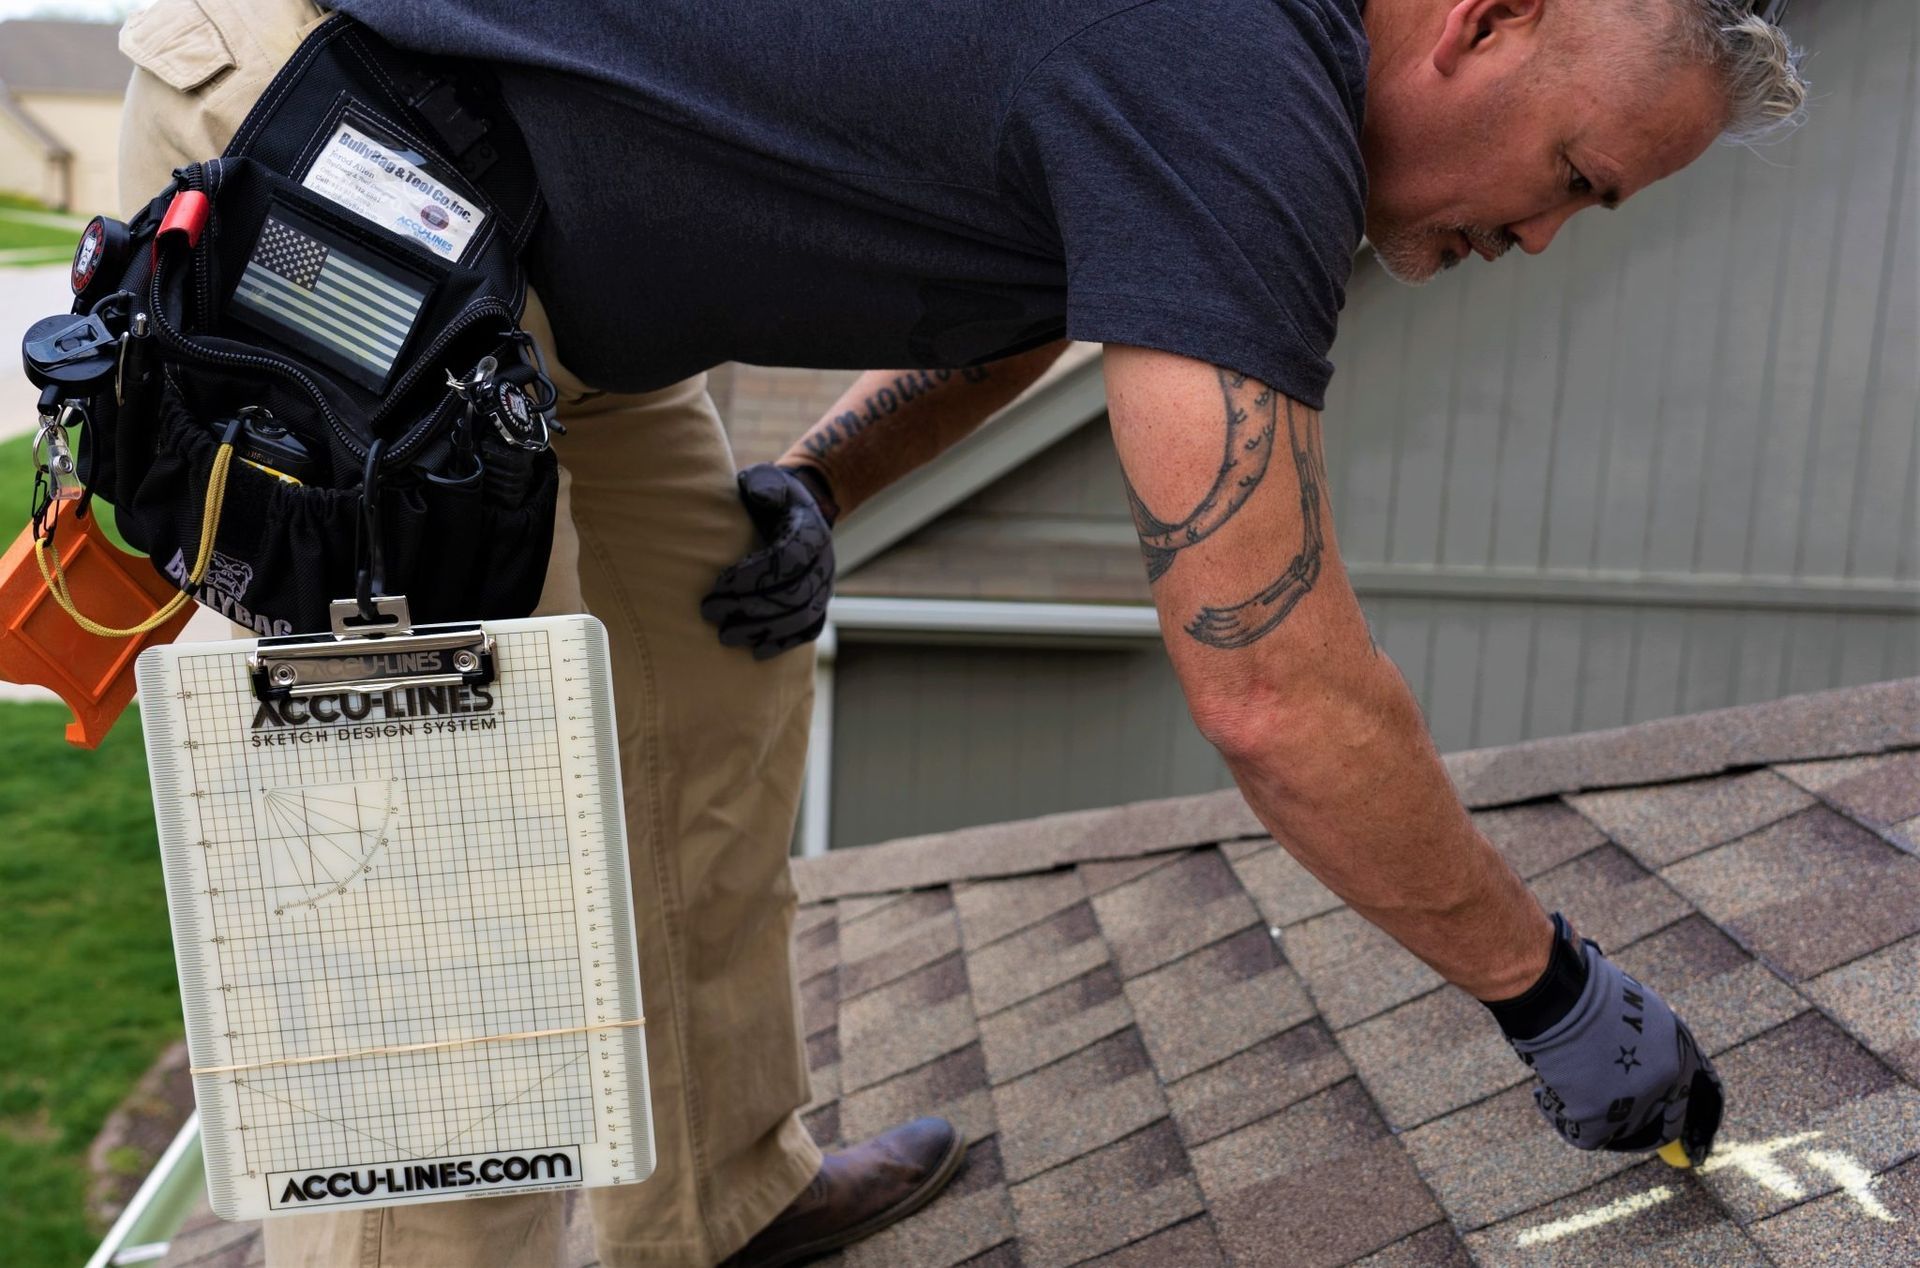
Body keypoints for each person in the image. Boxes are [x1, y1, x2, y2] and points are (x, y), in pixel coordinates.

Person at [113, 0, 1805, 1264]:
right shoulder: (1243, 77)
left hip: (562, 283)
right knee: (443, 891)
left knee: (719, 659)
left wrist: (824, 484)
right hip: (348, 135)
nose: (1537, 236)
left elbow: (1021, 279)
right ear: (1485, 19)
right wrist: (1550, 993)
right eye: (1573, 176)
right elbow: (1274, 691)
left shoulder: (1236, 83)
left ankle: (709, 1209)